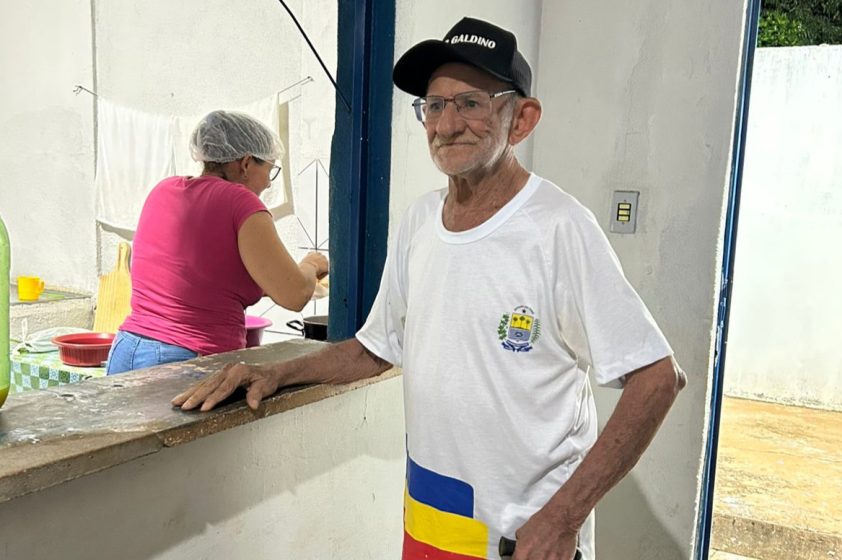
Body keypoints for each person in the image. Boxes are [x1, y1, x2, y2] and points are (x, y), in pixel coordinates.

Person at [172, 17, 686, 560]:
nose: (447, 124)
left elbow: (657, 378)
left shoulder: (559, 228)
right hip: (430, 522)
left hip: (523, 542)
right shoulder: (420, 221)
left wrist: (562, 519)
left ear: (522, 119)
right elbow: (374, 348)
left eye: (470, 103)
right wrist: (275, 374)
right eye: (434, 106)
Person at [106, 110, 328, 374]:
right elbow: (294, 295)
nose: (269, 184)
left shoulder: (163, 190)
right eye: (269, 170)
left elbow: (201, 277)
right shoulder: (241, 202)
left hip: (126, 349)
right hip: (184, 361)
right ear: (246, 164)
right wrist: (311, 265)